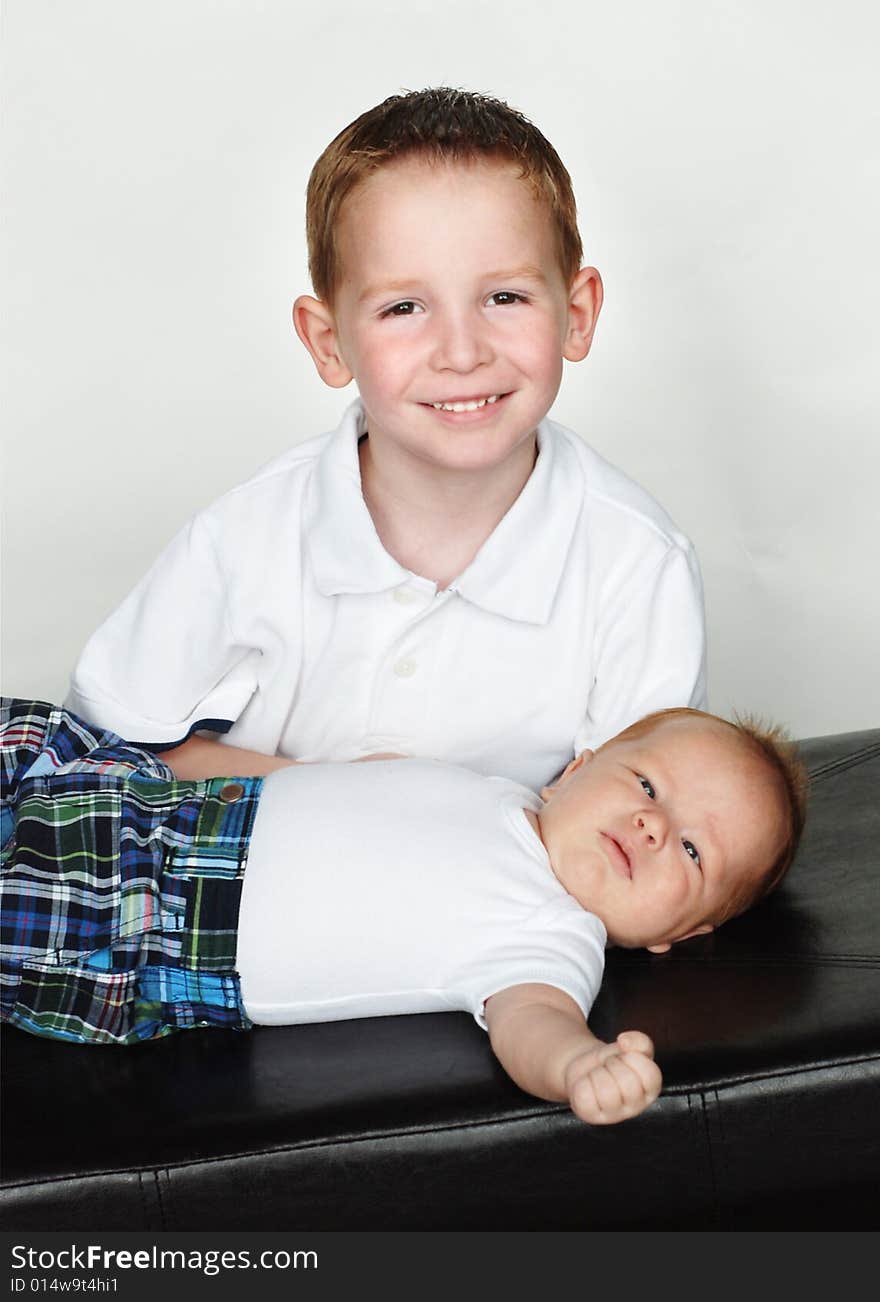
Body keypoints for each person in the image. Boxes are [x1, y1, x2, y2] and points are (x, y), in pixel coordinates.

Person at [64, 87, 706, 794]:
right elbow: (98, 761)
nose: (461, 353)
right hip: (257, 890)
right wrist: (347, 798)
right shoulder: (242, 541)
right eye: (404, 307)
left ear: (576, 315)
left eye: (505, 298)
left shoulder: (638, 567)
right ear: (328, 340)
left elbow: (637, 841)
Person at [1, 698, 807, 1126]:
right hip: (150, 803)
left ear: (680, 934)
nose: (654, 826)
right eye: (647, 786)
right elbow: (314, 780)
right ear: (578, 768)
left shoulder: (550, 937)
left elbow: (534, 1024)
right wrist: (167, 770)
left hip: (149, 922)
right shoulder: (495, 790)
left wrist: (579, 1066)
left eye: (694, 853)